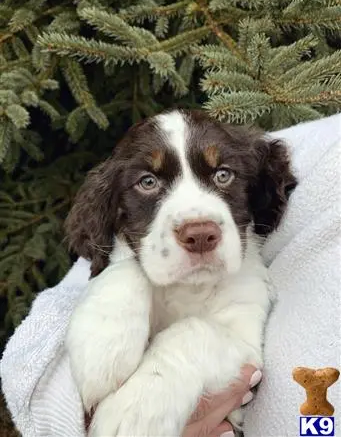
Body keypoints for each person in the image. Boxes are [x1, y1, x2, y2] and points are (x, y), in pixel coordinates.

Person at [1, 113, 340, 437]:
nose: (198, 227)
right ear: (114, 210)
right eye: (148, 181)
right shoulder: (124, 268)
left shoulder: (249, 274)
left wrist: (177, 364)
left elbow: (244, 351)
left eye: (223, 176)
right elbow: (75, 296)